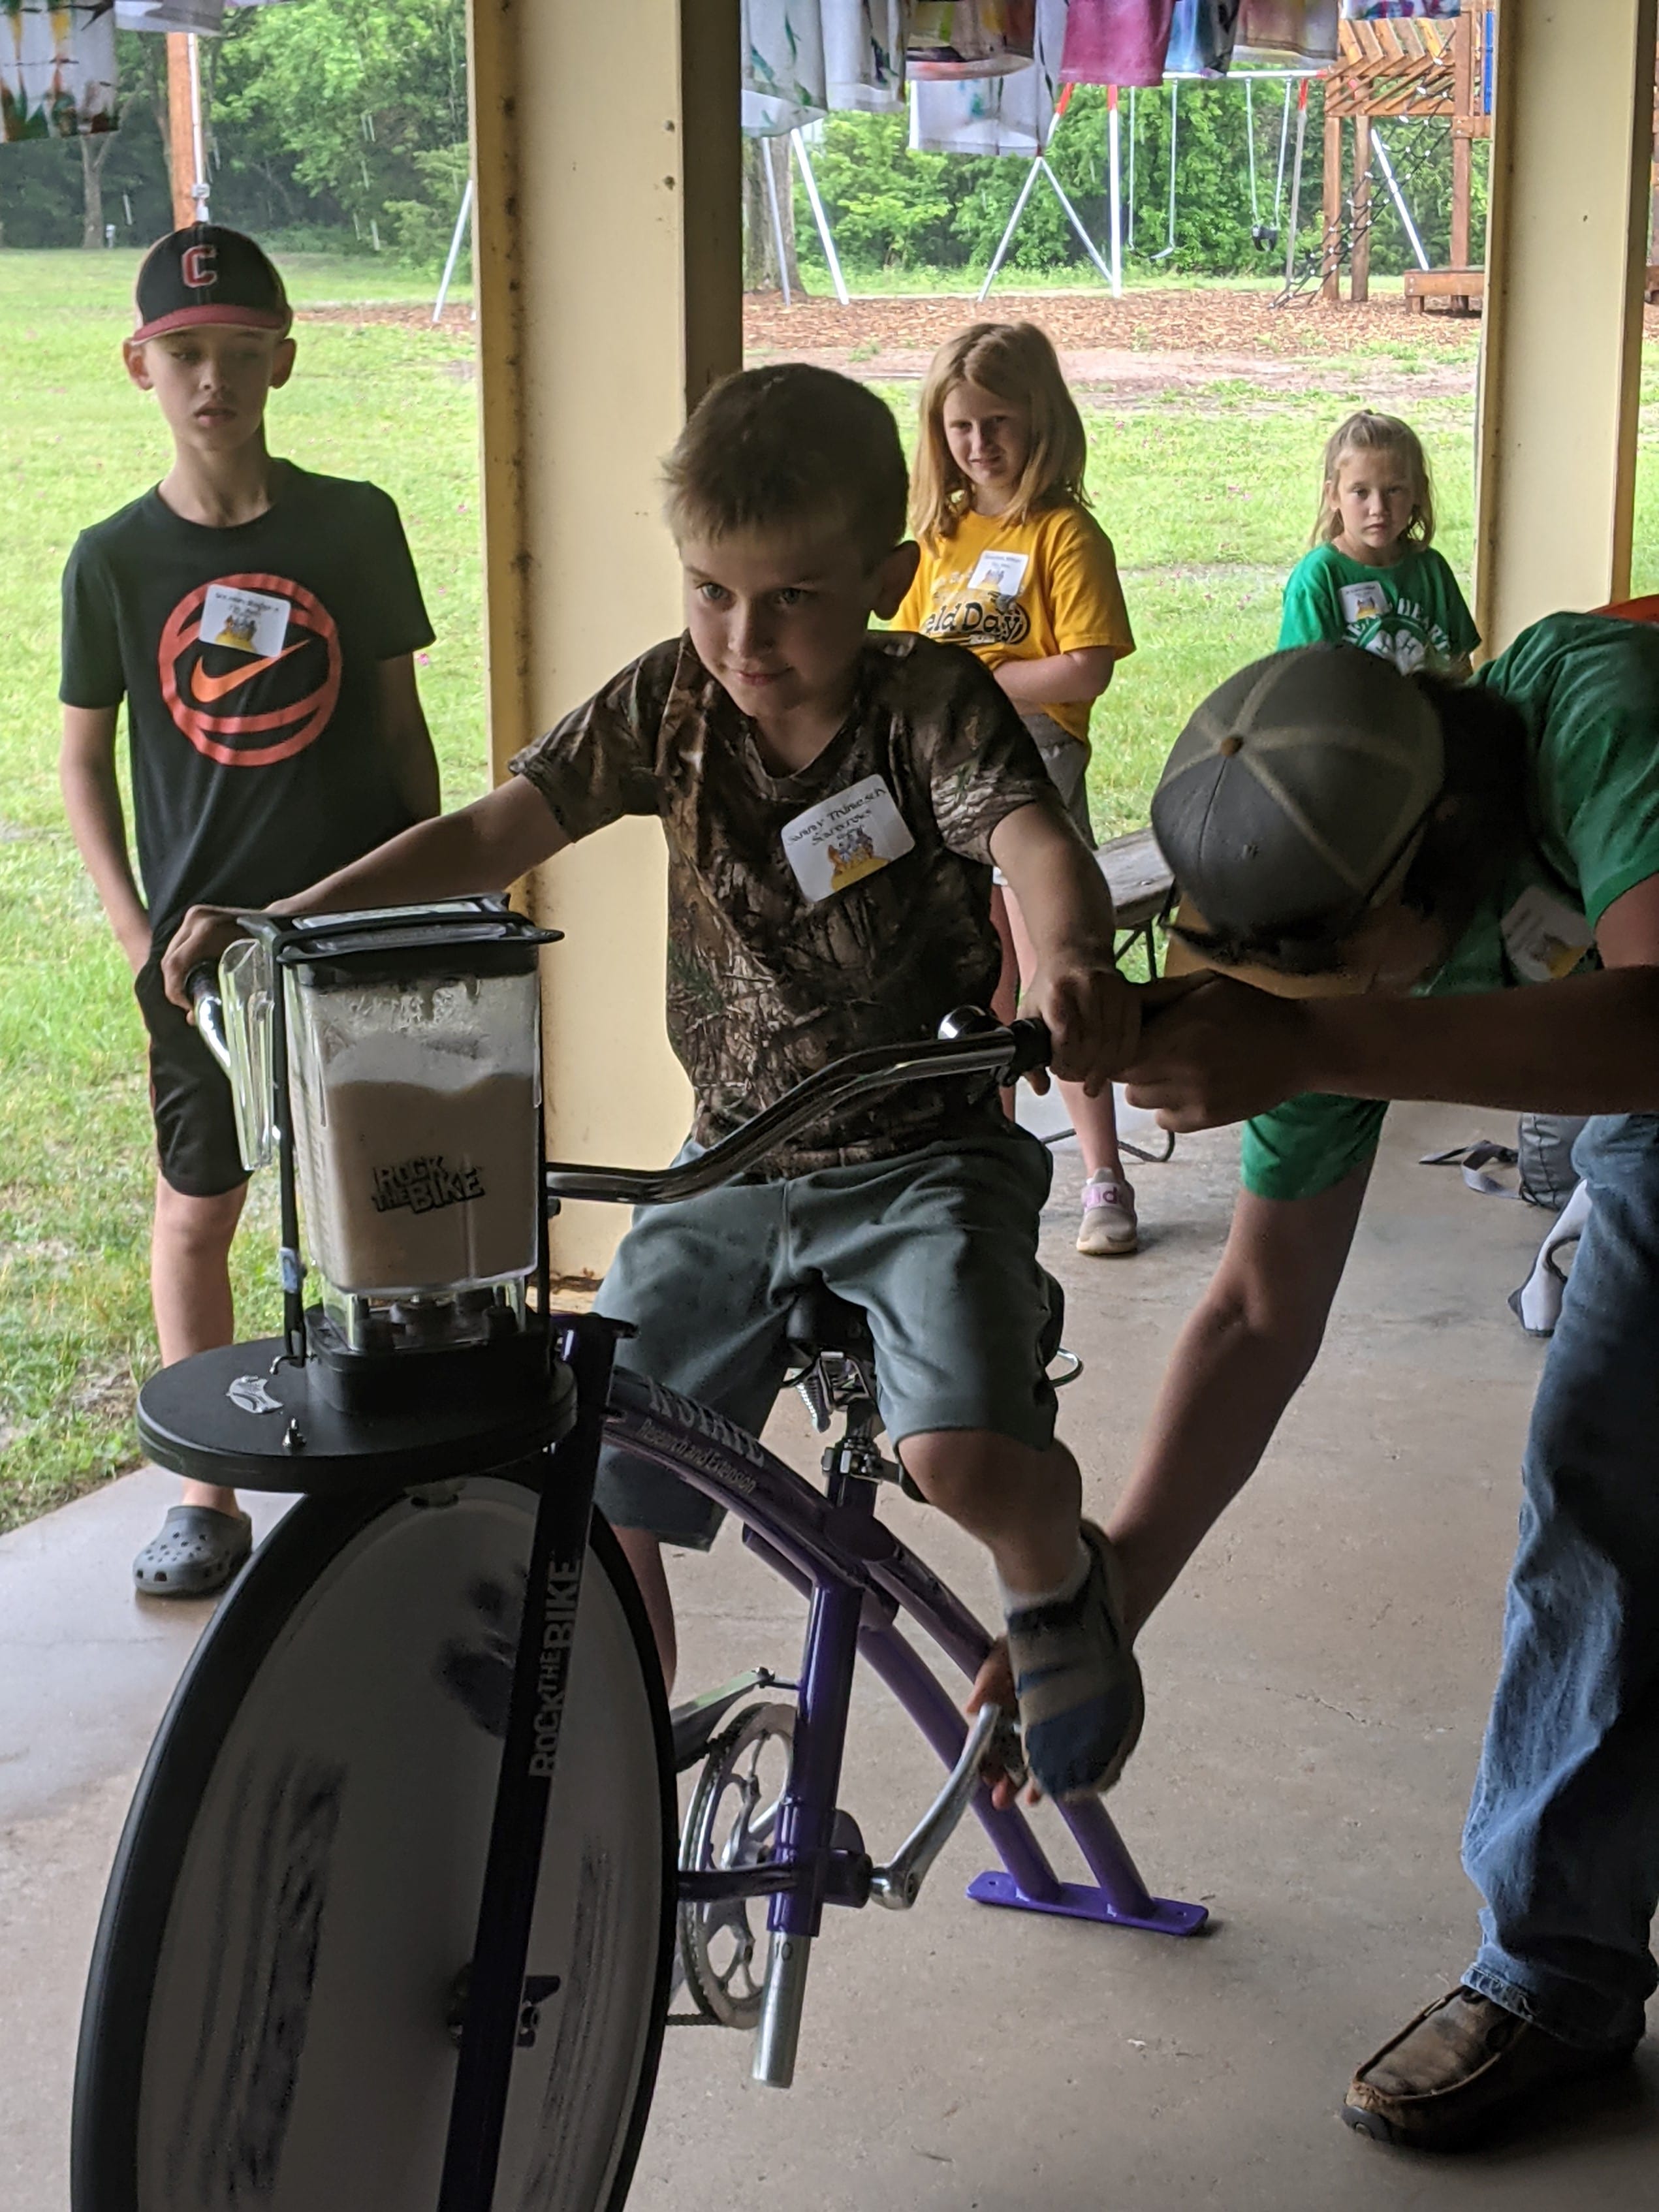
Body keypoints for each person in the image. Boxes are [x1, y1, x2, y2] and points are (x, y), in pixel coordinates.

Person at [163, 363, 1146, 1803]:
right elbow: (504, 820)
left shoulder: (929, 700)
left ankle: (1055, 1575)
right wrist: (293, 914)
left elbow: (1029, 842)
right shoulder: (672, 700)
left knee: (956, 1453)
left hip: (921, 1150)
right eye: (711, 592)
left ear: (881, 577)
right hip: (727, 1165)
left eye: (796, 598)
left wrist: (1066, 962)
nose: (745, 638)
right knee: (596, 1442)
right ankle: (619, 1700)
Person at [1101, 623, 1659, 2148]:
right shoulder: (1333, 984)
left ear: (1442, 856)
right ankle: (1558, 1972)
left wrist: (1317, 1042)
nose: (1301, 1012)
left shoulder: (1594, 712)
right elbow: (1259, 1311)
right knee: (1606, 1500)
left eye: (1327, 981)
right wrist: (1109, 1595)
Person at [58, 225, 441, 1598]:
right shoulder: (112, 561)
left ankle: (403, 1442)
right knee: (198, 1205)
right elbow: (79, 759)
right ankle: (203, 1493)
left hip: (350, 928)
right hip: (195, 956)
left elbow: (400, 730)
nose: (209, 380)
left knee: (385, 1195)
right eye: (183, 355)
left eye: (235, 353)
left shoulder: (354, 522)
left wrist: (430, 885)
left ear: (281, 359)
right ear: (139, 366)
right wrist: (130, 923)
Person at [896, 322, 1141, 1256]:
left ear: (1041, 423)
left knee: (1057, 972)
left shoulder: (1062, 532)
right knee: (979, 978)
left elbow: (1083, 668)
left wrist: (978, 686)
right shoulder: (939, 536)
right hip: (939, 768)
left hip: (1034, 757)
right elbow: (910, 656)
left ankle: (1104, 1177)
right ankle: (987, 1169)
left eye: (997, 422)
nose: (978, 444)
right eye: (959, 425)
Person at [1279, 409, 1478, 678]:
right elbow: (1304, 682)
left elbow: (1461, 671)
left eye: (1394, 490)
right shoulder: (1319, 577)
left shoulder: (1431, 569)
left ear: (1418, 491)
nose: (1378, 508)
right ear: (1333, 496)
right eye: (1361, 492)